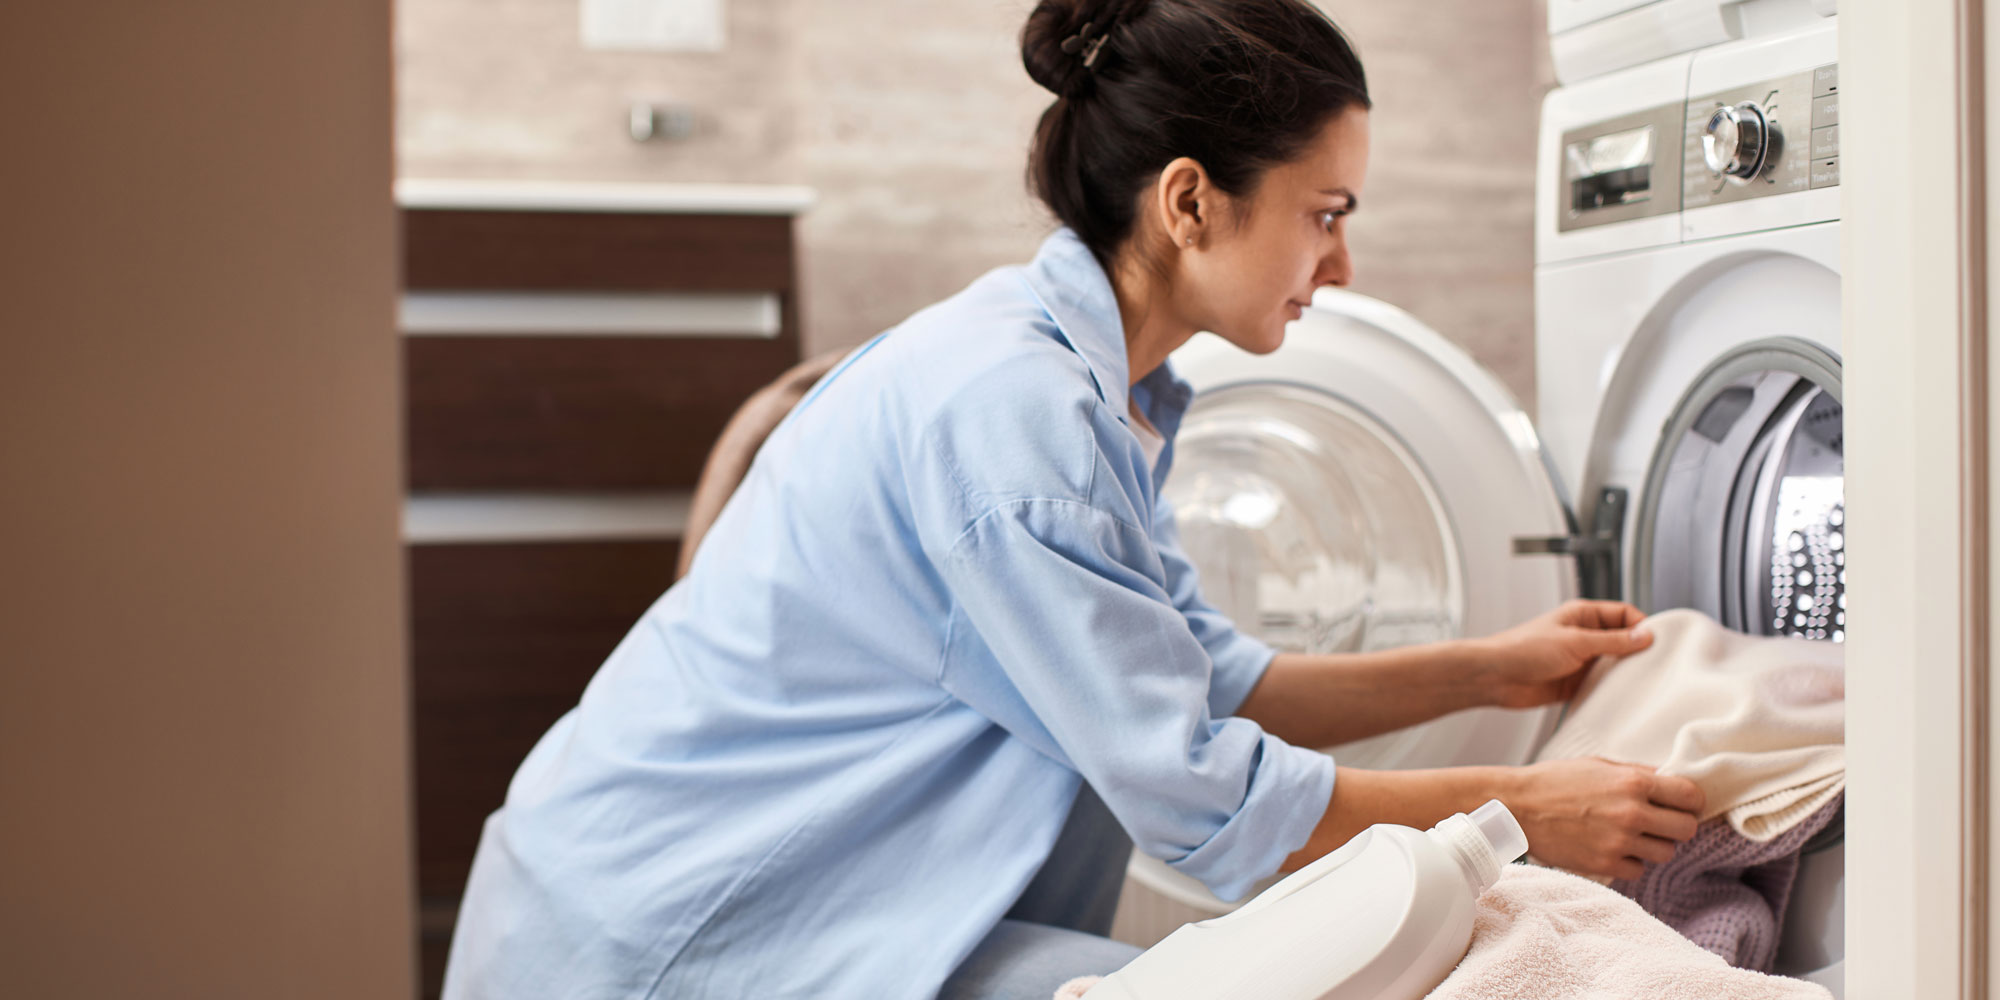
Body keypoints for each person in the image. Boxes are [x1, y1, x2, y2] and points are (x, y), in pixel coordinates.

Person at [441, 1, 1706, 997]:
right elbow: (1208, 805)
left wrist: (1490, 669)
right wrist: (1527, 813)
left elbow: (1207, 680)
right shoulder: (1016, 410)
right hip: (678, 934)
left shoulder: (1101, 394)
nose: (1341, 260)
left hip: (804, 897)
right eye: (1322, 214)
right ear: (1189, 201)